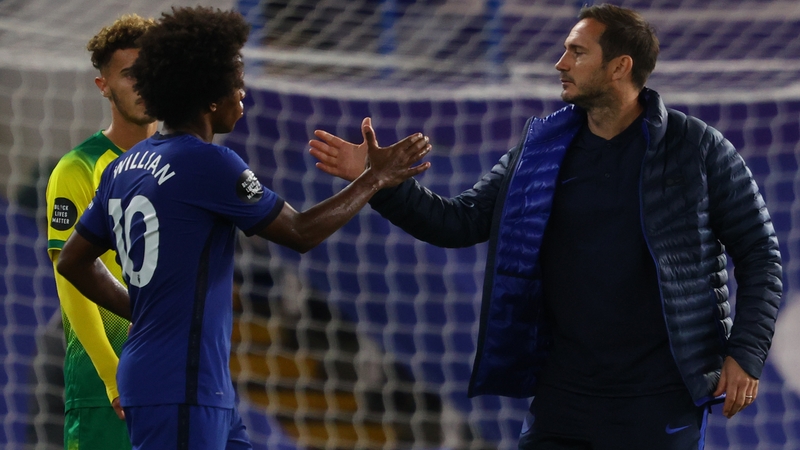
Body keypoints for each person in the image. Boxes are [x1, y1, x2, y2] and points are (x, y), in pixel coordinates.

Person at [308, 4, 782, 449]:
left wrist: (746, 352)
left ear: (620, 66)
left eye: (577, 52)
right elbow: (459, 222)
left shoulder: (697, 147)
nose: (560, 63)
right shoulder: (540, 150)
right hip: (564, 394)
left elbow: (760, 253)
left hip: (660, 395)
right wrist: (379, 182)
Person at [55, 6, 430, 450]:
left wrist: (141, 309)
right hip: (181, 383)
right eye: (237, 81)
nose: (243, 93)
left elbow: (73, 260)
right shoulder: (207, 163)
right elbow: (301, 233)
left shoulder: (126, 168)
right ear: (211, 95)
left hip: (189, 380)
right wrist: (376, 178)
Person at [45, 14, 157, 449]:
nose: (142, 84)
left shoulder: (183, 163)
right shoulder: (78, 168)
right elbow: (69, 277)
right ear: (104, 86)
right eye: (129, 74)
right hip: (106, 390)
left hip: (173, 381)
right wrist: (113, 375)